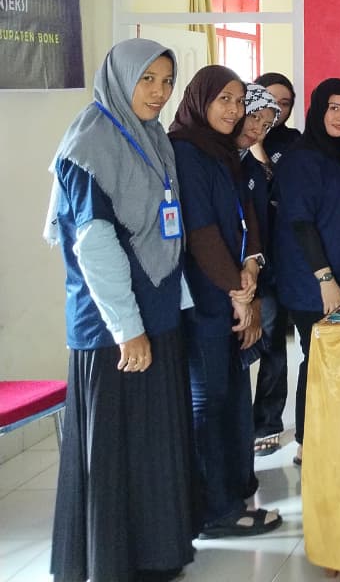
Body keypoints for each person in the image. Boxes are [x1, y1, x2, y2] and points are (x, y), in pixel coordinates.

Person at [46, 39, 198, 582]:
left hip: (156, 314)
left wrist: (173, 305)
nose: (159, 92)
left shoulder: (150, 136)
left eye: (166, 81)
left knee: (152, 442)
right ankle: (111, 563)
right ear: (120, 78)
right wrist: (128, 329)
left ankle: (156, 554)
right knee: (116, 448)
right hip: (114, 329)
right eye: (147, 79)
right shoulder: (91, 142)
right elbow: (95, 245)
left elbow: (163, 230)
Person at [168, 66, 281, 538]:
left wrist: (251, 268)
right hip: (204, 299)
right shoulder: (185, 150)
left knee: (231, 396)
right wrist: (240, 294)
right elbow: (201, 233)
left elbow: (245, 216)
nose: (234, 111)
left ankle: (232, 495)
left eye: (239, 101)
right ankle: (212, 511)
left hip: (231, 292)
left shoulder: (223, 152)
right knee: (209, 400)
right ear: (201, 100)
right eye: (225, 100)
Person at [272, 78, 340, 466]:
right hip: (312, 280)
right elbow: (300, 223)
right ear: (318, 110)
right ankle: (307, 442)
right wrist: (325, 279)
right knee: (318, 356)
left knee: (338, 359)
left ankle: (337, 437)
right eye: (334, 108)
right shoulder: (302, 158)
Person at [236, 84, 290, 457]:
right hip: (224, 278)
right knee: (236, 352)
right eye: (254, 117)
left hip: (262, 271)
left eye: (267, 124)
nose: (258, 128)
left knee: (270, 344)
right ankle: (238, 428)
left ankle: (267, 423)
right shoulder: (216, 159)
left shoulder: (256, 166)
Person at [255, 72, 302, 166]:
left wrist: (256, 147)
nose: (276, 108)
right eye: (269, 100)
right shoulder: (235, 134)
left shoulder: (293, 140)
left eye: (284, 103)